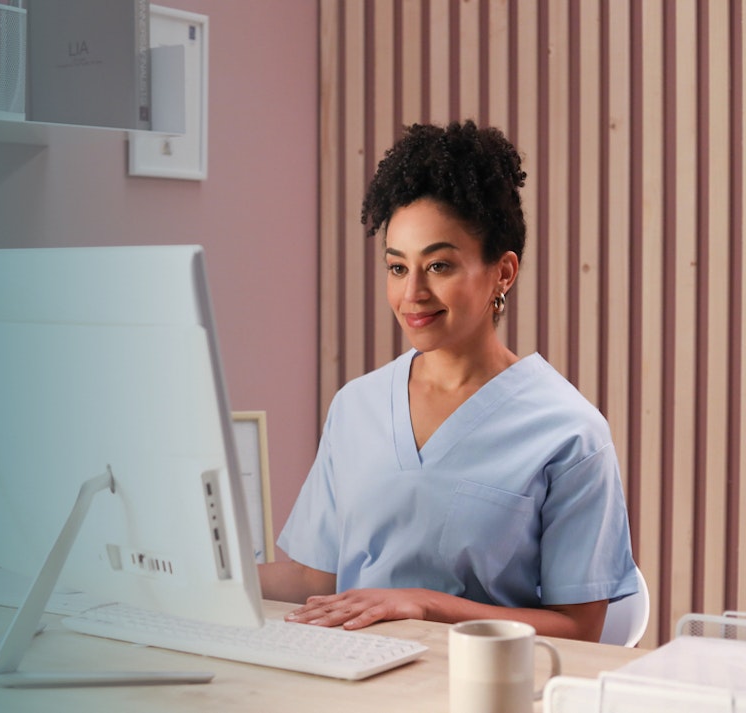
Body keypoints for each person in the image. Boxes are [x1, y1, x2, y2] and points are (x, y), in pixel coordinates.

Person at [258, 120, 638, 642]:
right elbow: (314, 578)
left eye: (438, 265)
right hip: (351, 678)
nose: (412, 293)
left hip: (480, 687)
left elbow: (579, 627)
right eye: (397, 268)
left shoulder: (569, 432)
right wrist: (173, 580)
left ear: (503, 273)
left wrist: (426, 604)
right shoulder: (357, 406)